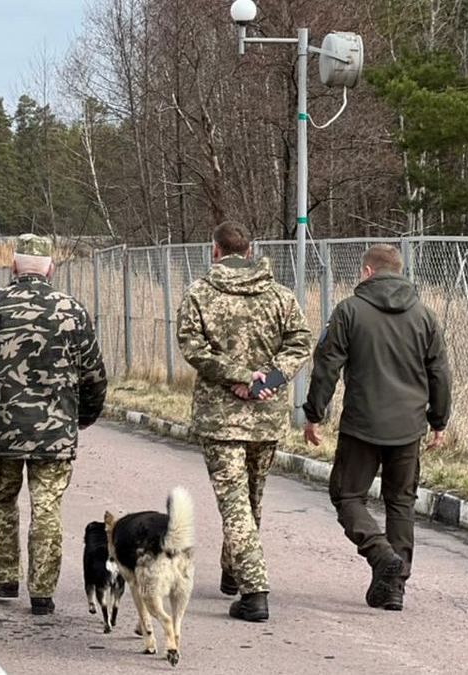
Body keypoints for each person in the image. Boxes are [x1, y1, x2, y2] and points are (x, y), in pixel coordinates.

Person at [0, 233, 107, 616]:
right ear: (51, 269)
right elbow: (93, 374)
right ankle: (42, 591)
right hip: (56, 430)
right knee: (47, 507)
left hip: (3, 428)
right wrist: (83, 417)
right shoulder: (73, 310)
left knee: (2, 500)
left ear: (13, 266)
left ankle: (6, 578)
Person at [176, 222, 312, 623]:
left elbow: (192, 347)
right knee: (249, 499)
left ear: (215, 250)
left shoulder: (200, 293)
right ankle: (232, 571)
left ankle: (254, 592)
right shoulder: (279, 295)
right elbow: (300, 342)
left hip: (221, 419)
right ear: (249, 251)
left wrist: (238, 377)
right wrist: (265, 380)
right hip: (265, 416)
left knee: (235, 502)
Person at [303, 244, 450, 612]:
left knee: (348, 496)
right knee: (401, 501)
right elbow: (440, 373)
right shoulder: (425, 316)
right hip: (409, 427)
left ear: (367, 272)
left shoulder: (349, 311)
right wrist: (439, 421)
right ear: (399, 272)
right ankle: (394, 586)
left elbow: (326, 366)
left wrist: (314, 413)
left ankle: (381, 554)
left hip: (362, 426)